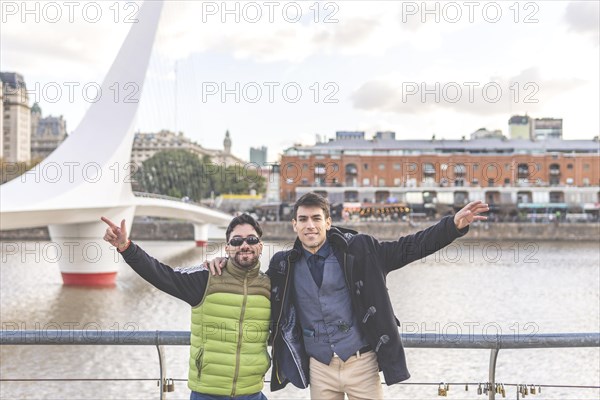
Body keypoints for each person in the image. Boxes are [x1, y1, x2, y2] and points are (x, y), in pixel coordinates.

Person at [266, 192, 488, 399]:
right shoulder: (283, 265)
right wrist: (229, 262)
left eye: (316, 218)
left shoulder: (360, 250)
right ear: (294, 225)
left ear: (328, 222)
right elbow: (255, 289)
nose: (310, 225)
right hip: (319, 368)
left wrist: (452, 226)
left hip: (361, 364)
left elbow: (408, 248)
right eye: (303, 219)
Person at [101, 214, 271, 400]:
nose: (244, 245)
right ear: (227, 247)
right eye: (237, 240)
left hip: (252, 393)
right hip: (208, 394)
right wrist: (126, 247)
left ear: (260, 246)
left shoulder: (270, 285)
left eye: (252, 239)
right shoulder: (205, 278)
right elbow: (161, 274)